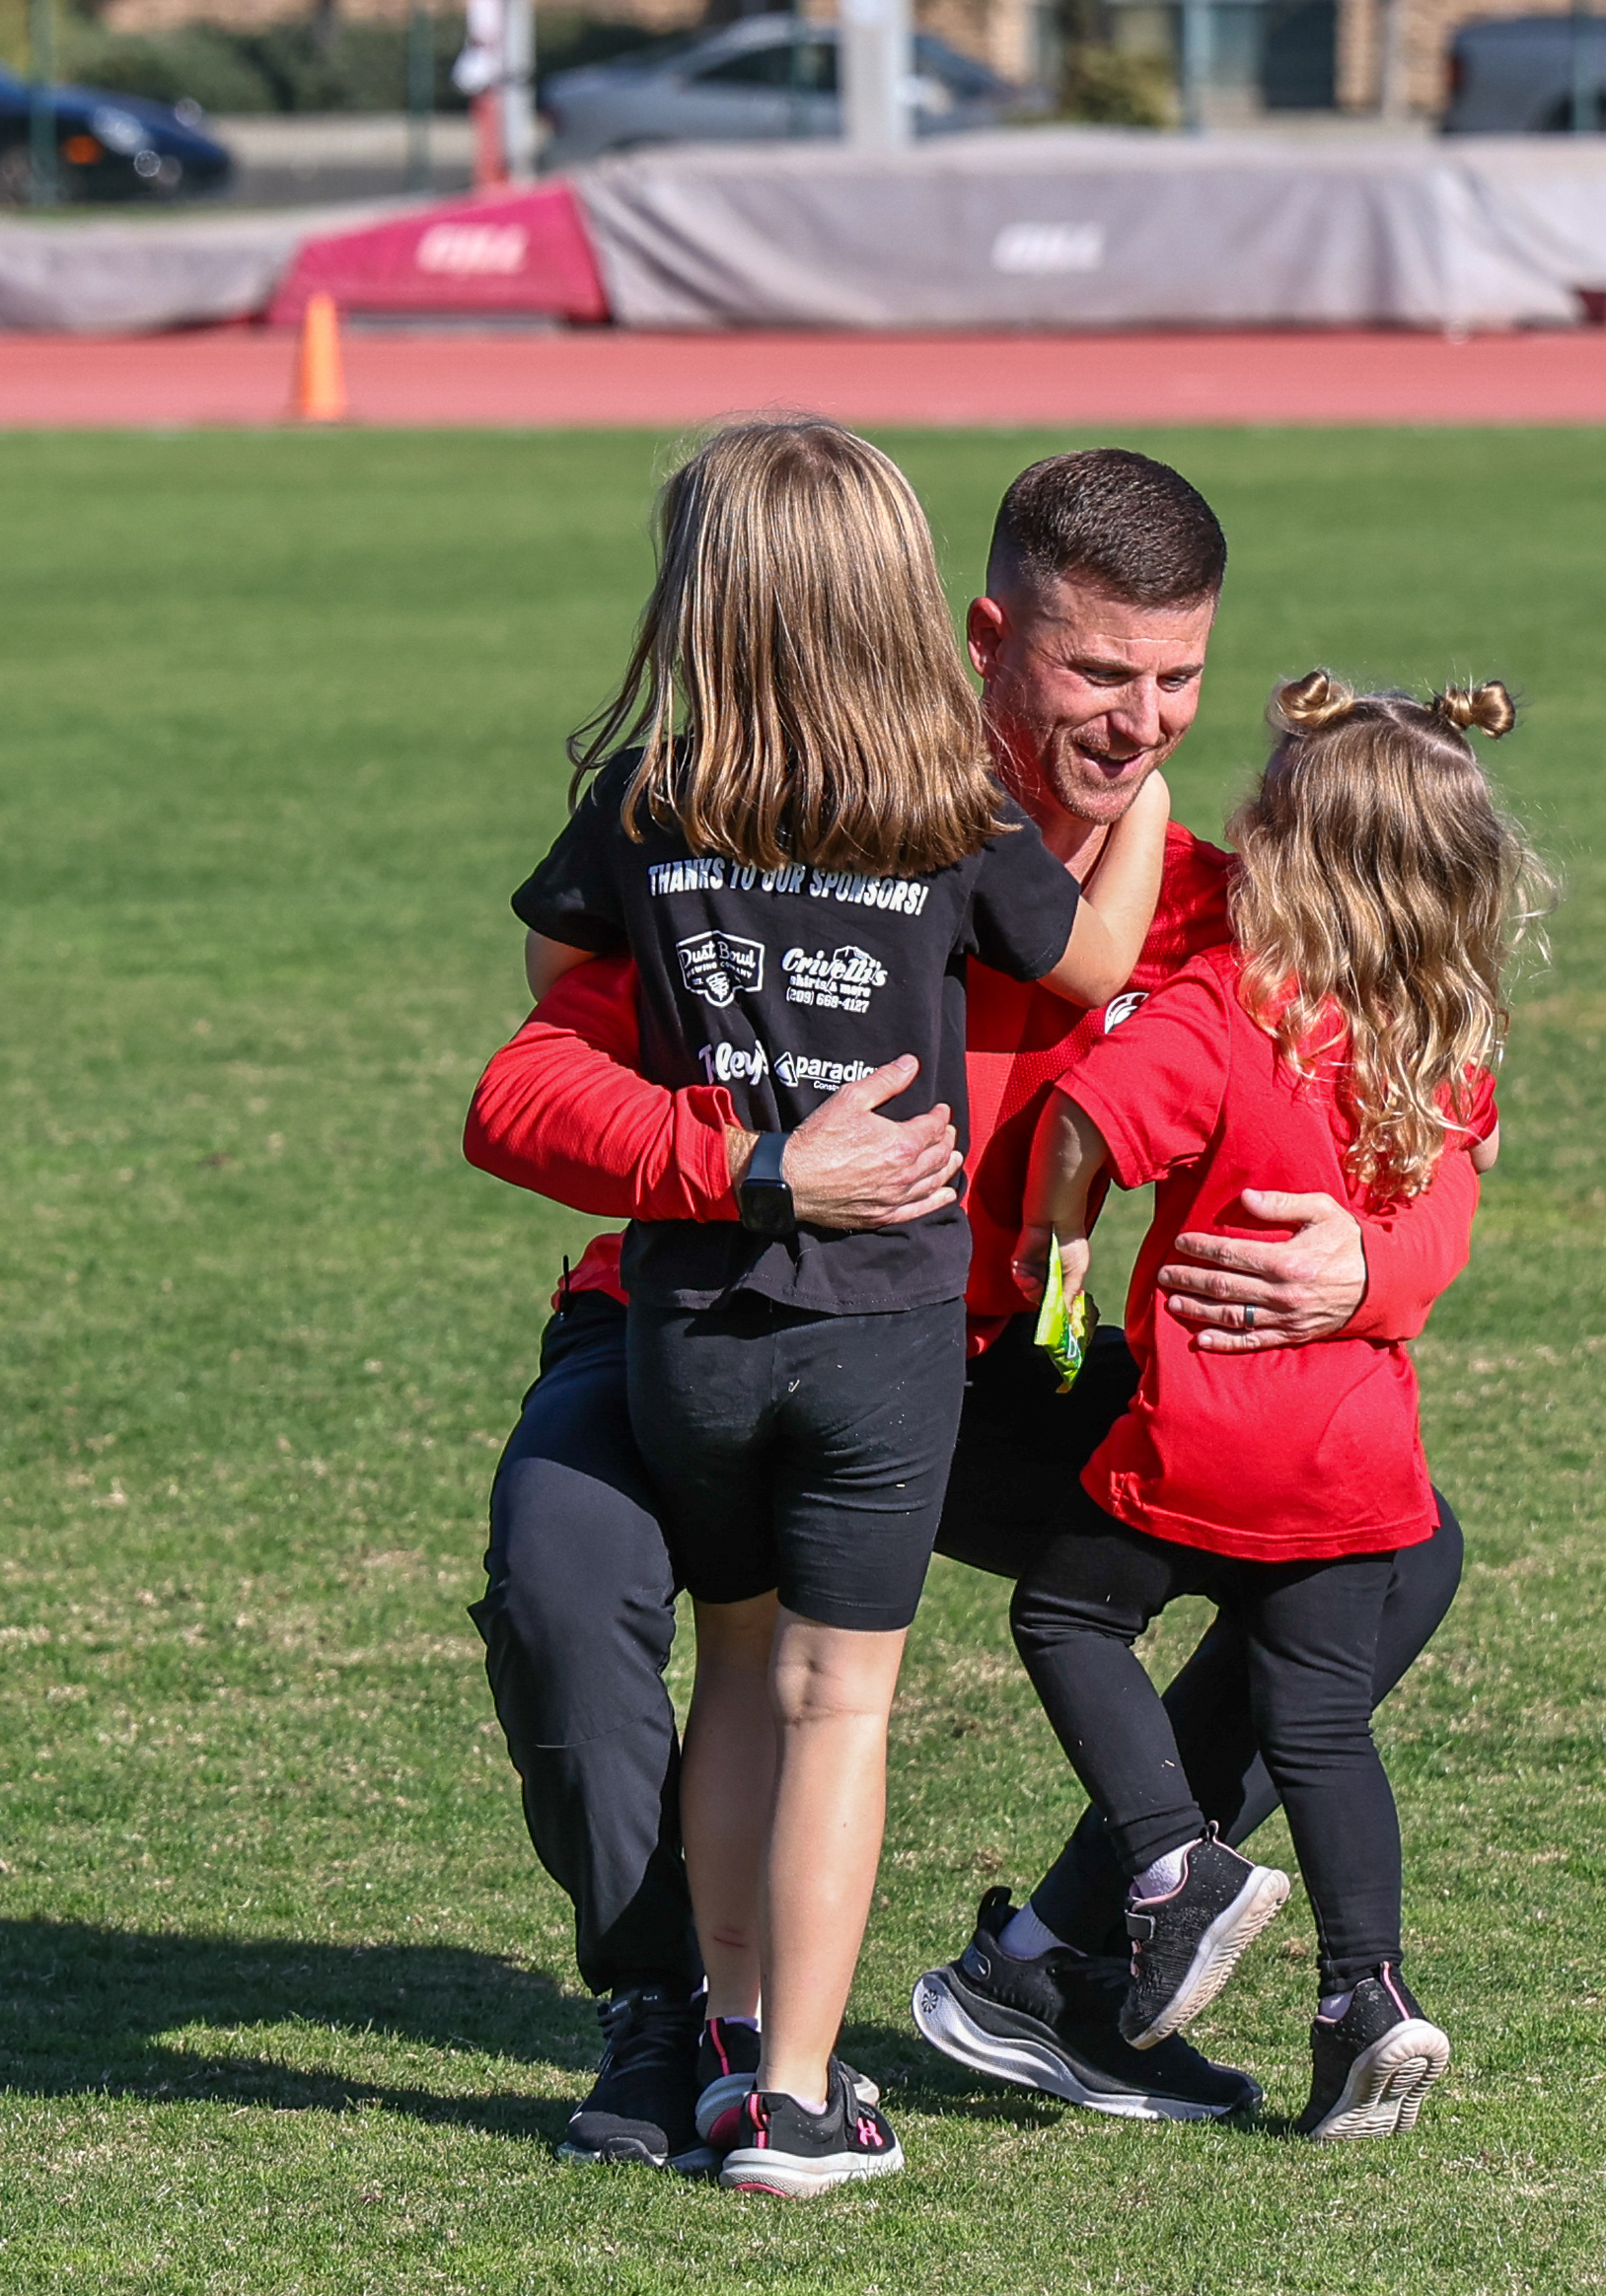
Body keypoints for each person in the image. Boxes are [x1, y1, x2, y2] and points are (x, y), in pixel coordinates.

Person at [464, 450, 1484, 2167]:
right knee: (565, 1593)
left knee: (1394, 1551)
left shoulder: (1222, 910)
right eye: (1099, 673)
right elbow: (522, 1085)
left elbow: (1417, 1114)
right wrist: (753, 1169)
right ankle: (670, 2014)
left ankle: (1068, 1962)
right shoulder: (784, 812)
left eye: (1179, 679)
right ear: (986, 638)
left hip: (982, 1373)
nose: (1144, 721)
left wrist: (1374, 1270)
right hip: (696, 1307)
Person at [505, 419, 1172, 2195]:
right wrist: (1159, 811)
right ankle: (801, 2100)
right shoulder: (946, 805)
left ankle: (720, 2059)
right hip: (884, 1321)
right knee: (839, 1702)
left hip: (696, 1322)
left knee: (733, 1670)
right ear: (919, 606)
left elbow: (550, 974)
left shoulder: (652, 799)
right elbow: (1092, 959)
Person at [1006, 673, 1536, 2139]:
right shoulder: (1441, 1039)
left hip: (1201, 1437)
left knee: (1067, 1618)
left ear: (1286, 848)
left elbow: (1083, 1123)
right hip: (1362, 1464)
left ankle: (1175, 1865)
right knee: (1322, 1735)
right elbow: (1442, 1208)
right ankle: (1370, 1995)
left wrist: (1056, 1259)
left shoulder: (1227, 1005)